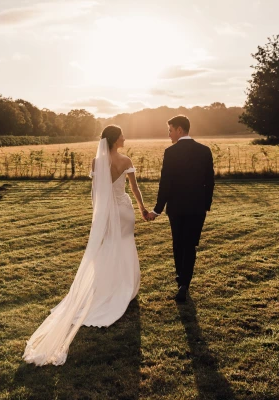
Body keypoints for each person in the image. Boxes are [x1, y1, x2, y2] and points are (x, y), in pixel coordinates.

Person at [22, 125, 147, 366]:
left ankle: (109, 287)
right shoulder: (126, 160)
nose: (125, 137)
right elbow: (134, 188)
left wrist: (99, 217)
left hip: (108, 214)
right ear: (114, 139)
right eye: (121, 134)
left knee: (108, 248)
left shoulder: (95, 162)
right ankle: (123, 287)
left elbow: (96, 194)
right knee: (124, 247)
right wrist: (142, 209)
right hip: (124, 211)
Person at [146, 115, 215, 302]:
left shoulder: (171, 152)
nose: (168, 135)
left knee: (178, 243)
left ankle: (181, 279)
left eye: (170, 130)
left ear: (179, 130)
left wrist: (157, 210)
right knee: (190, 244)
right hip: (197, 208)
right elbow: (210, 181)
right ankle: (185, 282)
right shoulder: (205, 151)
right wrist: (205, 205)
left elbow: (165, 184)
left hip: (176, 208)